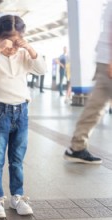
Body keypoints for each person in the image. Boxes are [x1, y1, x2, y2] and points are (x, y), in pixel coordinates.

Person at [0, 15, 46, 218]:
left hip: (22, 113)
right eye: (9, 42)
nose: (13, 48)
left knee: (17, 160)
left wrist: (29, 49)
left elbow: (41, 70)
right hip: (0, 113)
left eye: (17, 42)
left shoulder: (23, 55)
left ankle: (17, 196)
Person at [64, 1, 112, 164]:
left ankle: (76, 147)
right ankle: (76, 147)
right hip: (108, 61)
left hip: (104, 60)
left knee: (96, 107)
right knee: (96, 107)